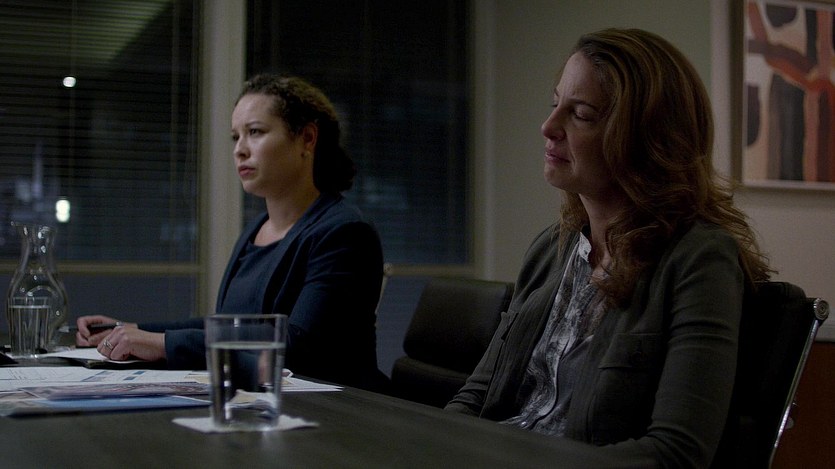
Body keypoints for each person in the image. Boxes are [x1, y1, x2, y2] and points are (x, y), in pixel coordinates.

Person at [445, 28, 772, 468]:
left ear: (648, 139)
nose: (548, 127)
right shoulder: (551, 248)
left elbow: (677, 452)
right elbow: (477, 396)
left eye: (581, 114)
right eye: (554, 104)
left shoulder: (699, 259)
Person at [76, 74, 389, 393]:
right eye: (235, 137)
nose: (240, 150)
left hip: (333, 409)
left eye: (255, 132)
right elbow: (227, 327)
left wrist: (164, 344)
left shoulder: (345, 232)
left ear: (307, 139)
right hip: (257, 399)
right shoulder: (257, 228)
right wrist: (129, 330)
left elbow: (297, 345)